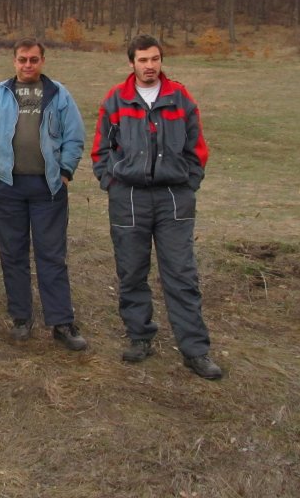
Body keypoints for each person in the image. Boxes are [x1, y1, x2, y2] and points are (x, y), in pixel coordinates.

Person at [91, 34, 223, 380]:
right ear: (131, 63)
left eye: (155, 59)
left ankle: (195, 350)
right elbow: (101, 149)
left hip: (173, 198)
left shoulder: (180, 98)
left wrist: (190, 182)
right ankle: (139, 337)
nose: (149, 66)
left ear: (161, 61)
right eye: (143, 60)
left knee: (181, 274)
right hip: (129, 199)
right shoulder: (115, 100)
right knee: (131, 271)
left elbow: (197, 147)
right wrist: (111, 183)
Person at [0, 38, 88, 350]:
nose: (28, 65)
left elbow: (75, 136)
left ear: (42, 61)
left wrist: (65, 172)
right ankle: (21, 318)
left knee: (51, 255)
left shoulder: (58, 94)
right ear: (14, 61)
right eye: (23, 59)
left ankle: (61, 323)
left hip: (48, 188)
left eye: (34, 59)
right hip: (7, 187)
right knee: (13, 254)